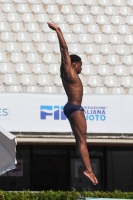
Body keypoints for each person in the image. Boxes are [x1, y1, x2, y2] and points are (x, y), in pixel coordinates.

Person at [47, 22, 98, 185]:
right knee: (83, 139)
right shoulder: (69, 71)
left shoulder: (68, 74)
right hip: (74, 107)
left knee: (80, 140)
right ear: (74, 64)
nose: (81, 68)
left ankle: (87, 168)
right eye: (80, 65)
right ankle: (88, 170)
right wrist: (58, 31)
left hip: (72, 107)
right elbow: (64, 50)